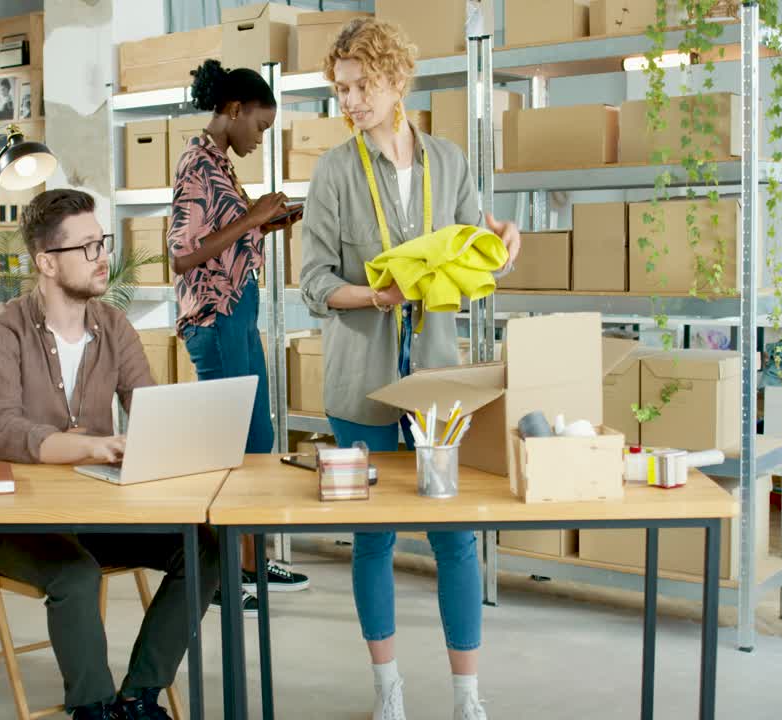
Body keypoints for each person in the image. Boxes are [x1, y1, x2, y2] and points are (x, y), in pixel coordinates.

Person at [297, 18, 523, 720]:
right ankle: (387, 690)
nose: (350, 101)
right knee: (374, 539)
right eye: (341, 89)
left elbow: (470, 252)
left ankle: (467, 696)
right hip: (358, 381)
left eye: (362, 86)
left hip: (436, 379)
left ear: (397, 80)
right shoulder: (334, 172)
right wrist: (376, 296)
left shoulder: (449, 162)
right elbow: (313, 282)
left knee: (455, 539)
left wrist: (500, 245)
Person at [0, 189, 220, 720]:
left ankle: (139, 695)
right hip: (22, 523)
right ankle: (94, 708)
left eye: (101, 242)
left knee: (206, 551)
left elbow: (148, 407)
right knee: (76, 575)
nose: (102, 256)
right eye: (87, 247)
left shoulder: (114, 326)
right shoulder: (0, 331)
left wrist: (184, 434)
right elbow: (2, 430)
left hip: (100, 511)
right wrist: (91, 445)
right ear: (46, 262)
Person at [169, 59, 309, 614]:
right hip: (217, 318)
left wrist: (266, 221)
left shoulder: (220, 164)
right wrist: (251, 218)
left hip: (237, 314)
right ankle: (222, 575)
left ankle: (251, 561)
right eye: (260, 125)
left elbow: (220, 238)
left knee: (258, 439)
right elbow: (182, 255)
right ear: (234, 110)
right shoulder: (197, 164)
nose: (261, 138)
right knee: (234, 448)